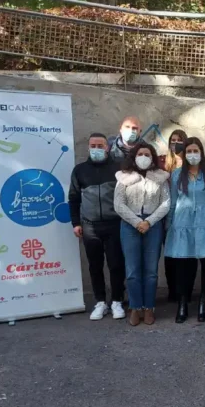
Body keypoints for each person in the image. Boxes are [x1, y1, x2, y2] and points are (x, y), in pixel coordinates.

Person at [69, 132, 126, 321]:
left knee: (116, 264)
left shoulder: (117, 168)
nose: (96, 149)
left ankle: (117, 300)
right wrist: (76, 223)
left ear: (107, 147)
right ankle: (100, 302)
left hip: (114, 224)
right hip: (89, 226)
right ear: (88, 147)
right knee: (95, 265)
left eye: (100, 146)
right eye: (93, 146)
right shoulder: (80, 170)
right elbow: (74, 198)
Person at [164, 138, 205, 324]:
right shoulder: (176, 174)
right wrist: (169, 225)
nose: (192, 154)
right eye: (189, 151)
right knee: (183, 264)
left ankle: (204, 301)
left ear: (201, 152)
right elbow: (173, 202)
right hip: (183, 223)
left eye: (196, 151)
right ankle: (183, 302)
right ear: (184, 153)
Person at [114, 142, 170, 326]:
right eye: (140, 154)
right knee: (132, 271)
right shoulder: (124, 177)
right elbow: (118, 204)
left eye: (147, 154)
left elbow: (166, 203)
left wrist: (149, 222)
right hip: (130, 225)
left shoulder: (160, 177)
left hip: (152, 226)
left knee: (151, 271)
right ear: (133, 157)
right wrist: (137, 222)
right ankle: (135, 307)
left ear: (153, 158)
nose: (143, 157)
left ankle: (149, 308)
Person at [162, 128, 188, 302]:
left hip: (184, 213)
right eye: (173, 140)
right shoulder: (163, 163)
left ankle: (184, 290)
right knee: (170, 253)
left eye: (179, 140)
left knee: (184, 255)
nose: (176, 143)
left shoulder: (190, 163)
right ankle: (172, 290)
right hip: (165, 213)